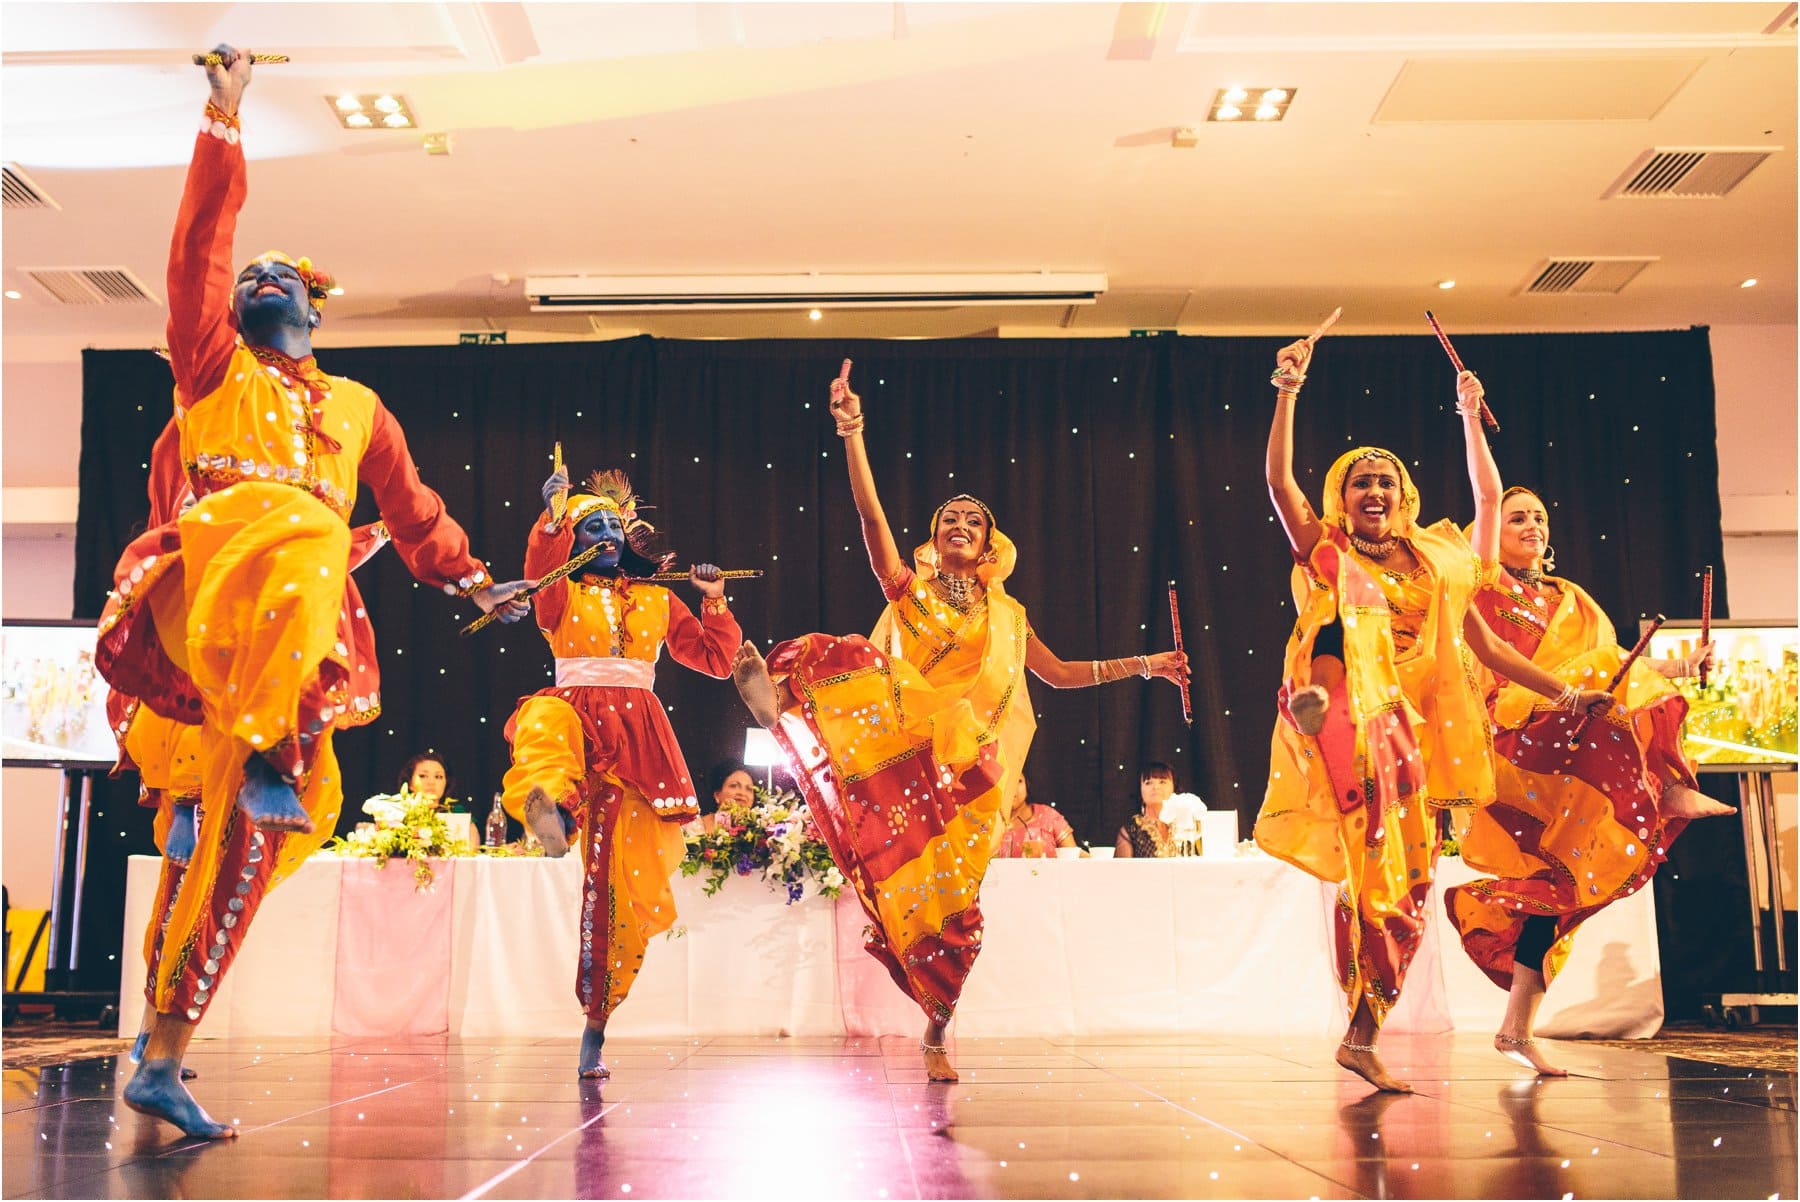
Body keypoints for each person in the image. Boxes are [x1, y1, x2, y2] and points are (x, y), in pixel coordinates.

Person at [92, 46, 530, 1139]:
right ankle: (253, 761)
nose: (258, 280)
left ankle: (163, 1050)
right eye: (251, 279)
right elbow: (197, 252)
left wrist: (476, 579)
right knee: (302, 528)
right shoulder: (209, 371)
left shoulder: (360, 409)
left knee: (251, 850)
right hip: (219, 596)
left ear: (319, 312)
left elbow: (417, 514)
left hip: (294, 635)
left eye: (281, 276)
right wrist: (222, 118)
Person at [730, 360, 1188, 1082]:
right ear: (935, 537)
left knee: (952, 910)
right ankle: (783, 700)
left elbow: (1058, 673)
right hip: (907, 741)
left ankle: (938, 1029)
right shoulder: (910, 594)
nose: (961, 527)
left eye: (974, 522)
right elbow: (870, 520)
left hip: (971, 776)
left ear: (991, 544)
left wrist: (1146, 665)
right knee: (850, 654)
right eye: (950, 520)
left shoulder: (1009, 615)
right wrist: (852, 433)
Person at [1253, 338, 1613, 1094]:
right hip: (1352, 706)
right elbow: (1279, 483)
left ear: (1404, 494)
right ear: (1340, 500)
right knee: (1341, 613)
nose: (1373, 492)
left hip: (1412, 736)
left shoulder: (1441, 565)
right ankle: (1317, 703)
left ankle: (1361, 1034)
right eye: (1358, 484)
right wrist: (1289, 386)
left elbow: (1488, 647)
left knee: (1400, 892)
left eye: (1384, 481)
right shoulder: (1324, 548)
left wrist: (1567, 694)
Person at [1445, 418, 1734, 1075]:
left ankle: (1516, 1031)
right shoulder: (1484, 586)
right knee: (1600, 661)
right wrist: (1471, 415)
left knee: (1560, 887)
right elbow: (1485, 498)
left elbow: (1617, 675)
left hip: (1576, 749)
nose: (1531, 527)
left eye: (1539, 519)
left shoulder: (1570, 597)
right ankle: (1664, 788)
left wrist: (1685, 670)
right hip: (1515, 729)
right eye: (1519, 518)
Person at [498, 465, 740, 1078]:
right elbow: (544, 570)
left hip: (638, 744)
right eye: (591, 526)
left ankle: (596, 1027)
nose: (604, 532)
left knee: (614, 889)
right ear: (575, 544)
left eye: (614, 523)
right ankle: (552, 809)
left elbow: (716, 660)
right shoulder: (560, 596)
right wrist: (551, 521)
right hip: (577, 717)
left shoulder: (660, 600)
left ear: (632, 537)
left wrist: (714, 601)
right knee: (542, 720)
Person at [1115, 761, 1191, 857]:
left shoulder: (1187, 825)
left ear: (1174, 787)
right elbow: (1120, 870)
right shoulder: (1131, 831)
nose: (1155, 787)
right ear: (1140, 789)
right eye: (1148, 783)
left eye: (1162, 782)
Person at [995, 775, 1079, 857]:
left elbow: (1072, 856)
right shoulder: (988, 822)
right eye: (1006, 782)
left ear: (1027, 784)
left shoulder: (1047, 815)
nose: (1012, 788)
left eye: (1019, 781)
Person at [691, 762, 757, 836]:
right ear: (717, 795)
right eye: (734, 785)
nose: (742, 793)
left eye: (749, 789)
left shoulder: (759, 830)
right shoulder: (694, 827)